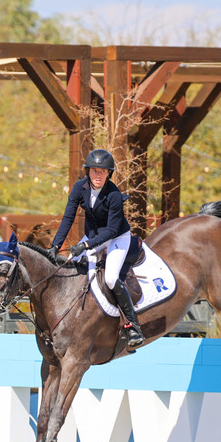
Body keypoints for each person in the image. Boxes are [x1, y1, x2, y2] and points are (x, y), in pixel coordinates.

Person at [48, 148, 144, 348]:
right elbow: (68, 218)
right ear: (88, 172)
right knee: (71, 265)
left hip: (117, 237)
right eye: (94, 171)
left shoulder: (114, 195)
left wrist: (84, 245)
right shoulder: (78, 188)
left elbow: (110, 231)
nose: (97, 175)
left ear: (109, 173)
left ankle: (133, 326)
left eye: (102, 171)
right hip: (92, 236)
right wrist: (55, 246)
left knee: (110, 278)